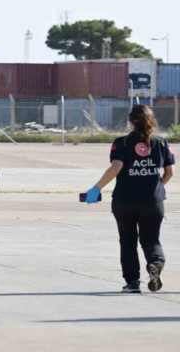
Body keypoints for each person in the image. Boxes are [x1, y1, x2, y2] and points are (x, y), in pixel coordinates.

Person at [85, 105, 174, 294]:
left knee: (127, 241)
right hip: (152, 201)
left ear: (131, 121)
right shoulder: (161, 143)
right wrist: (157, 187)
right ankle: (155, 263)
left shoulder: (122, 143)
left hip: (124, 200)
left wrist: (96, 188)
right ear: (151, 121)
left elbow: (116, 167)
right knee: (151, 239)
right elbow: (169, 172)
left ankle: (132, 282)